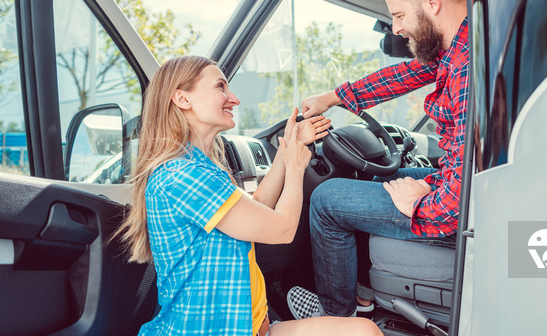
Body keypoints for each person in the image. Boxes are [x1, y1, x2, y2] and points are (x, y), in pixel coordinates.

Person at [115, 56, 382, 336]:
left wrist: (287, 148)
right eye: (221, 87)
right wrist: (294, 166)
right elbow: (282, 229)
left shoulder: (200, 167)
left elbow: (254, 210)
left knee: (365, 331)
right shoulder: (183, 174)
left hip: (254, 328)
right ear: (182, 99)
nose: (234, 99)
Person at [287, 0, 469, 319]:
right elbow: (402, 76)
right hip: (460, 187)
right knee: (384, 177)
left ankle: (340, 318)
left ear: (430, 2)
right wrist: (333, 97)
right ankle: (364, 295)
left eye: (399, 14)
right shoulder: (464, 49)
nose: (397, 28)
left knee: (327, 200)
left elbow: (455, 209)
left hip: (464, 211)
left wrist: (417, 203)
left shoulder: (466, 72)